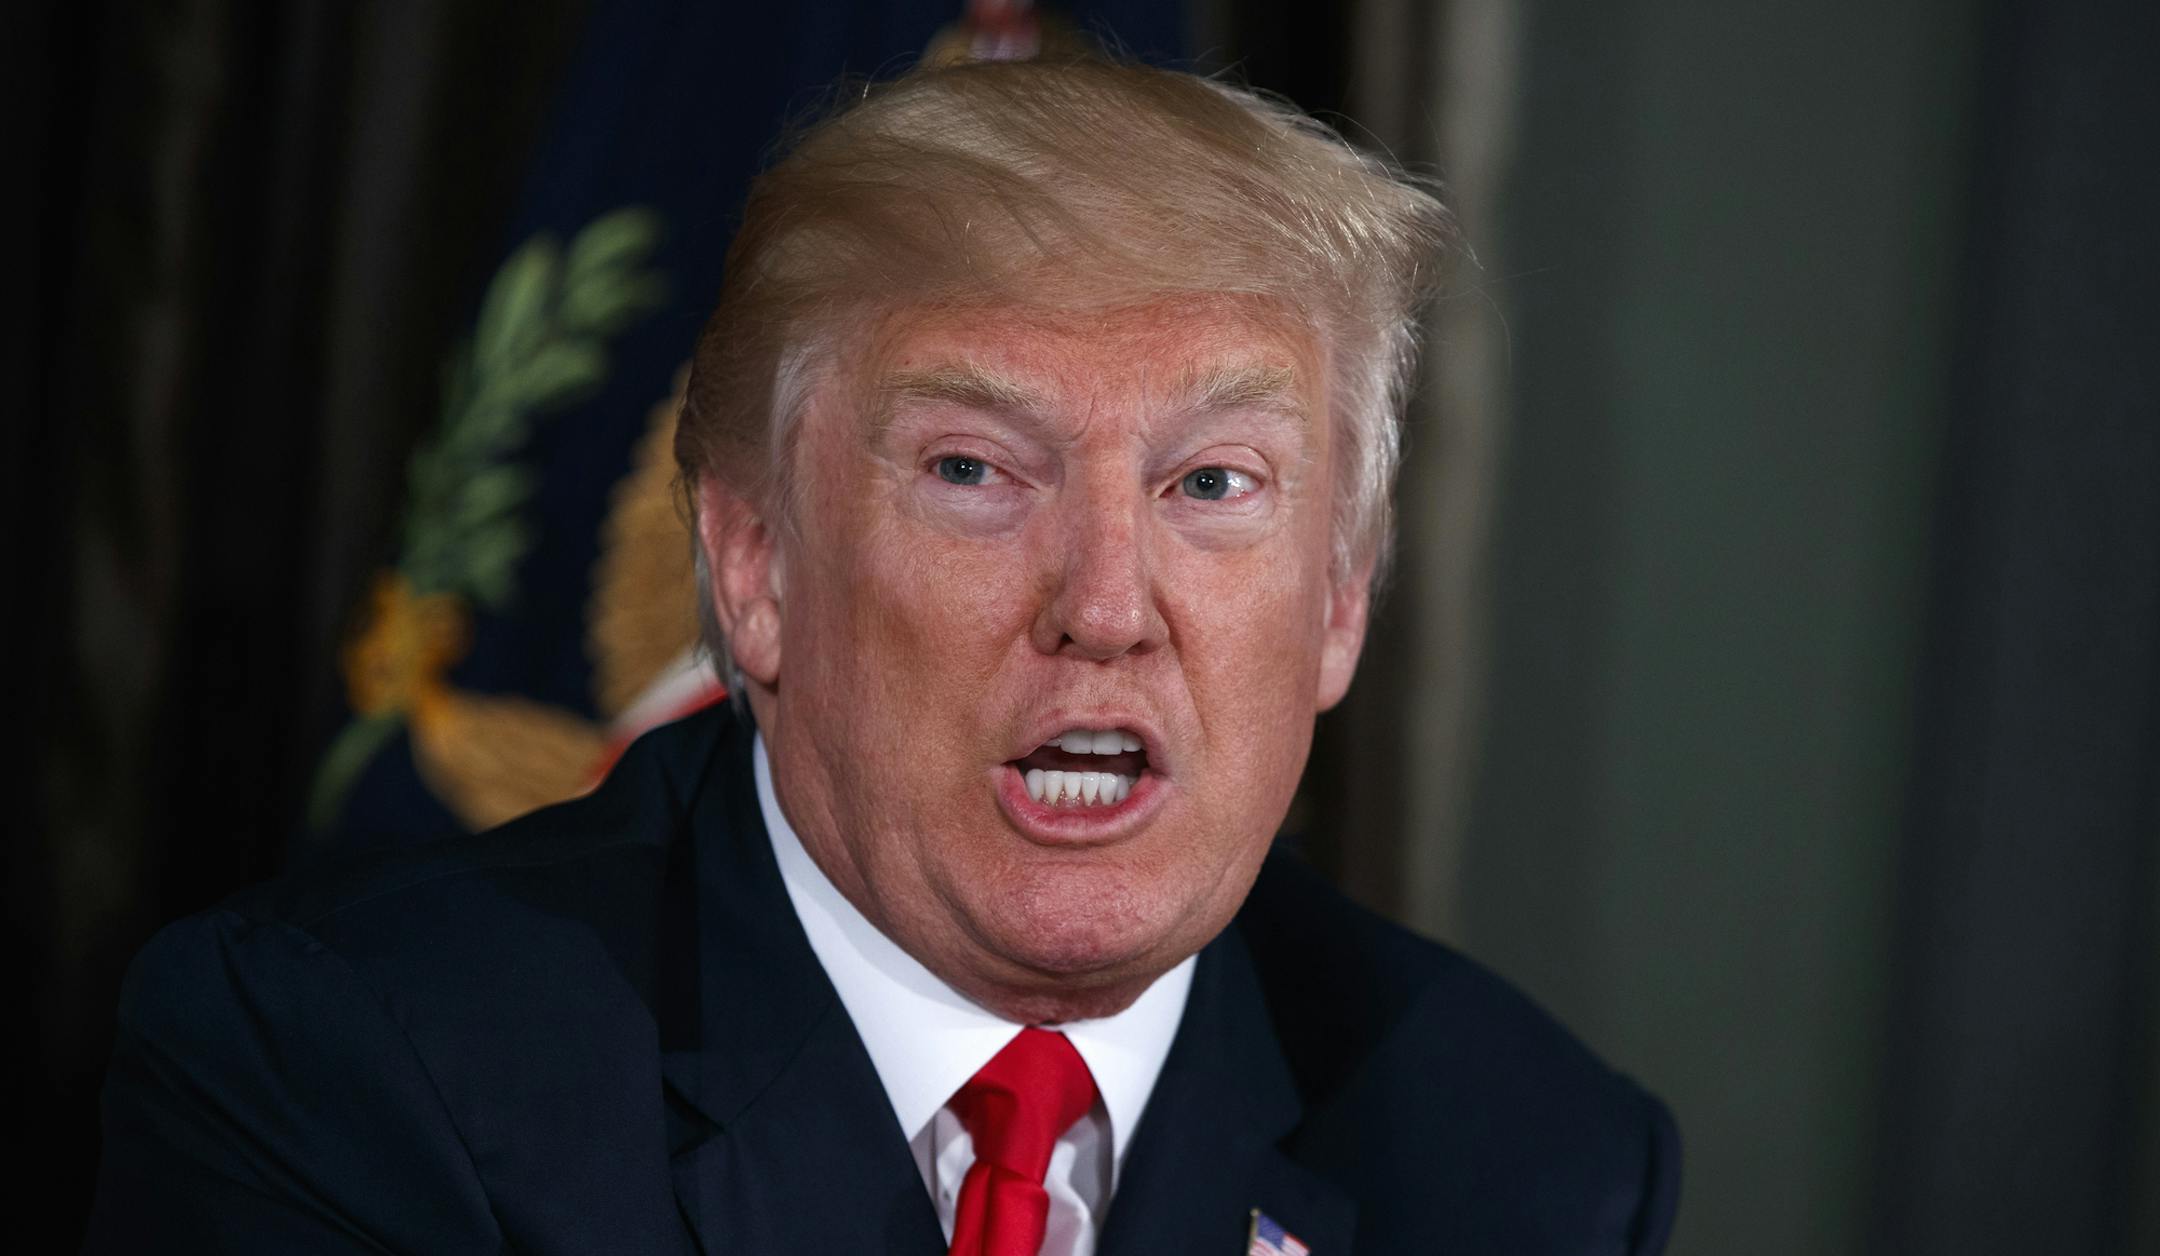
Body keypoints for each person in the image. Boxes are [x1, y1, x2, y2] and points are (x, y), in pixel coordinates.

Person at [84, 57, 1679, 1255]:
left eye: (1211, 485)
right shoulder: (343, 1073)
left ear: (1340, 599)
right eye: (975, 472)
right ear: (754, 565)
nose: (1107, 606)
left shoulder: (1525, 1165)